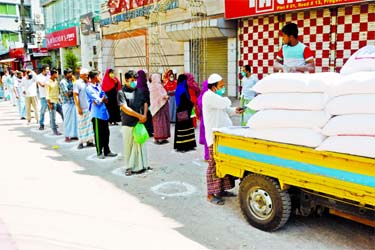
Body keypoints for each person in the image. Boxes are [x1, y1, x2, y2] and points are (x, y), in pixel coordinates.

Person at [202, 73, 243, 205]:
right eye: (221, 86)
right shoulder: (209, 96)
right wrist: (229, 101)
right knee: (213, 165)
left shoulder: (216, 97)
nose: (223, 88)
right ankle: (210, 194)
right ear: (213, 87)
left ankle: (222, 190)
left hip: (223, 136)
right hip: (215, 138)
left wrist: (235, 110)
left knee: (224, 164)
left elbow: (225, 109)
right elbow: (225, 103)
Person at [117, 70, 149, 176]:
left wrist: (144, 115)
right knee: (128, 146)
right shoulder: (121, 93)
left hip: (139, 123)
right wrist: (139, 116)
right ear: (126, 80)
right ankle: (129, 167)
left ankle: (142, 165)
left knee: (140, 144)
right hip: (128, 123)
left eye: (135, 80)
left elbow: (145, 102)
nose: (134, 82)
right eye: (132, 80)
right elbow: (125, 108)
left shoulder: (138, 91)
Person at [86, 70, 117, 159]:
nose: (100, 78)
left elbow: (104, 97)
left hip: (103, 113)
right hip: (96, 114)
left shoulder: (98, 86)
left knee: (106, 133)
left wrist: (103, 99)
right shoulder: (89, 88)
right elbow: (97, 100)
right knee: (98, 134)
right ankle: (99, 152)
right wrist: (101, 99)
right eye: (99, 76)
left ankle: (107, 150)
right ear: (94, 77)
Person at [173, 74, 196, 152]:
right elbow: (183, 101)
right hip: (183, 110)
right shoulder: (181, 89)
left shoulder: (181, 88)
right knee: (184, 129)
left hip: (184, 110)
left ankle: (188, 145)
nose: (186, 82)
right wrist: (191, 104)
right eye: (185, 80)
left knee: (187, 128)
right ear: (183, 81)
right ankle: (183, 146)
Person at [73, 68, 95, 149]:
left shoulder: (88, 83)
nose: (87, 76)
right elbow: (75, 95)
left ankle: (90, 141)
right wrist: (78, 107)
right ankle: (81, 142)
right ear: (82, 75)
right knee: (81, 125)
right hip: (82, 108)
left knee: (90, 125)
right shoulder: (77, 83)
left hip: (89, 108)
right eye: (86, 74)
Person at [149, 73, 170, 144]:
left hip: (155, 107)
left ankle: (159, 138)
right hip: (160, 106)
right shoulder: (157, 86)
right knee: (161, 122)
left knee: (157, 123)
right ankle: (161, 138)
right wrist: (166, 96)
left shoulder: (151, 85)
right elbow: (161, 95)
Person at [59, 68, 78, 142]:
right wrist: (74, 91)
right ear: (65, 74)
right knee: (67, 120)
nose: (71, 75)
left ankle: (74, 135)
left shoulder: (72, 81)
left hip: (73, 103)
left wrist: (74, 82)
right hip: (67, 103)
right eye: (69, 73)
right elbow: (67, 94)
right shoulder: (63, 82)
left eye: (71, 73)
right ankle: (67, 135)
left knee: (74, 120)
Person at [46, 68, 64, 135]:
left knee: (63, 114)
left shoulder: (56, 81)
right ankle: (55, 131)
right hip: (52, 102)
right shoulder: (48, 83)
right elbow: (47, 94)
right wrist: (49, 103)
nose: (58, 75)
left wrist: (59, 98)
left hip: (57, 101)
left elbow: (57, 91)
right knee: (53, 118)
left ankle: (67, 128)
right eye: (57, 73)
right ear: (53, 74)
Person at [136, 70, 153, 137]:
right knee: (147, 118)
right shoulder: (143, 86)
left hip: (140, 106)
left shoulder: (138, 85)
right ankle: (148, 131)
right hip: (145, 105)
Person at [197, 79, 209, 161]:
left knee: (207, 139)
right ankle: (208, 156)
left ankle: (207, 156)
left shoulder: (202, 95)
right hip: (206, 120)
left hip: (204, 119)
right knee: (208, 139)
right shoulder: (206, 96)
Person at [37, 65, 50, 130]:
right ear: (43, 69)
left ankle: (53, 123)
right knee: (43, 111)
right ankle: (41, 124)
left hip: (50, 96)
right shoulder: (38, 76)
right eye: (47, 69)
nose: (48, 70)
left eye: (48, 69)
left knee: (51, 110)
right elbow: (41, 85)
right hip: (43, 96)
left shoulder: (49, 76)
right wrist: (48, 83)